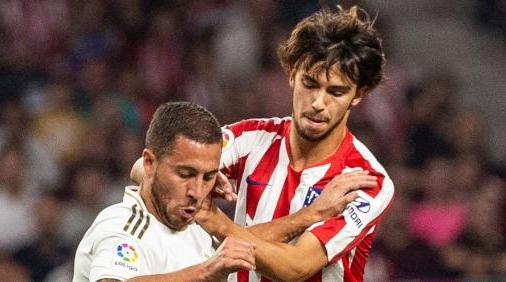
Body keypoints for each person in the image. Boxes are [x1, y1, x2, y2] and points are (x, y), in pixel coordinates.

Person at [132, 5, 394, 281]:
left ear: (358, 95)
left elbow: (297, 267)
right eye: (310, 84)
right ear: (292, 74)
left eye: (336, 92)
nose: (318, 103)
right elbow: (144, 167)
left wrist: (212, 219)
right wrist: (197, 182)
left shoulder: (366, 181)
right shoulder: (251, 138)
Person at [73, 102, 257, 282]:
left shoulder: (193, 225)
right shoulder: (124, 226)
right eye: (185, 174)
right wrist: (207, 272)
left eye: (208, 177)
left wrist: (287, 224)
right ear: (149, 163)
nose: (197, 192)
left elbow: (250, 244)